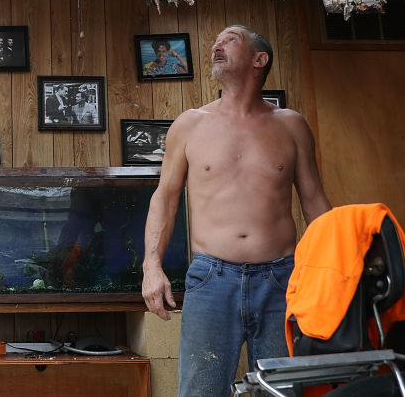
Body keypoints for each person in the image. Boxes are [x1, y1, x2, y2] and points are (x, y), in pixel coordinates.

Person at [141, 25, 331, 397]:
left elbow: (315, 202)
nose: (216, 45)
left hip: (281, 280)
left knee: (283, 392)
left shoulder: (291, 125)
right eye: (216, 40)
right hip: (212, 279)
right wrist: (151, 266)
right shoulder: (190, 125)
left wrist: (338, 269)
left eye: (231, 39)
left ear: (259, 60)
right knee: (202, 391)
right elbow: (165, 198)